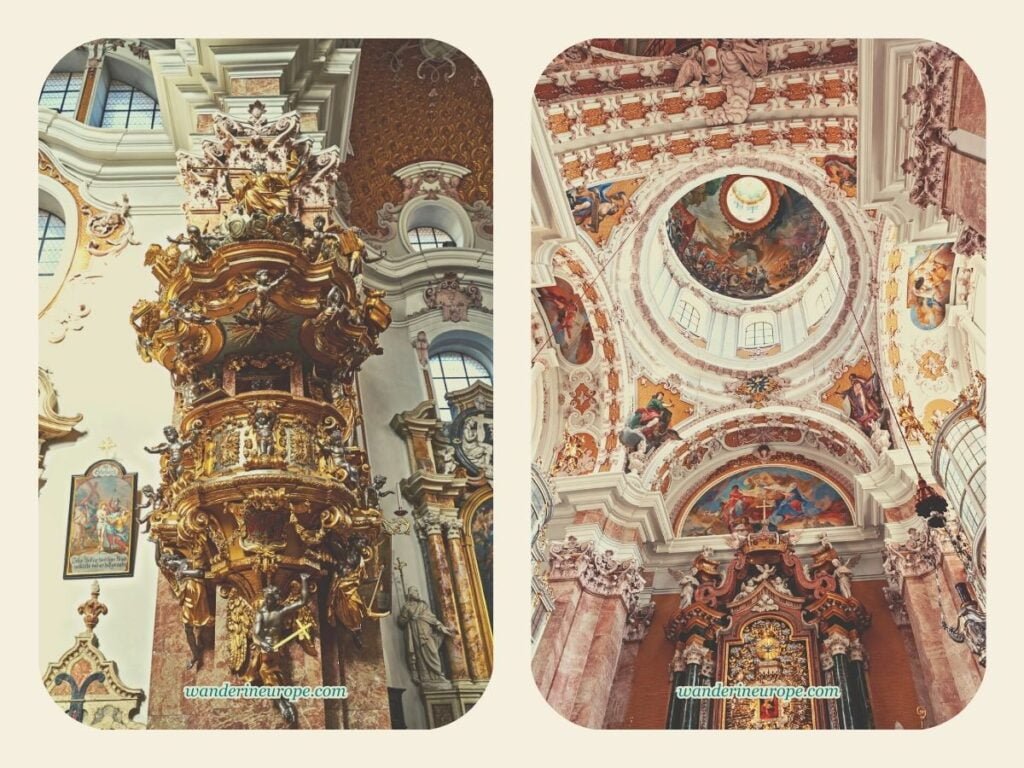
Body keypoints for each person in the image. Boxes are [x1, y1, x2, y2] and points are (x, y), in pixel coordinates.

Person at [397, 586, 455, 685]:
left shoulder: (423, 605)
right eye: (416, 591)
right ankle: (426, 678)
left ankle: (437, 674)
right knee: (419, 655)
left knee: (432, 652)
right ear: (411, 593)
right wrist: (410, 618)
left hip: (427, 633)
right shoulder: (407, 607)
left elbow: (431, 618)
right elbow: (401, 622)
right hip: (415, 634)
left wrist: (441, 627)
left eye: (418, 591)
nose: (418, 593)